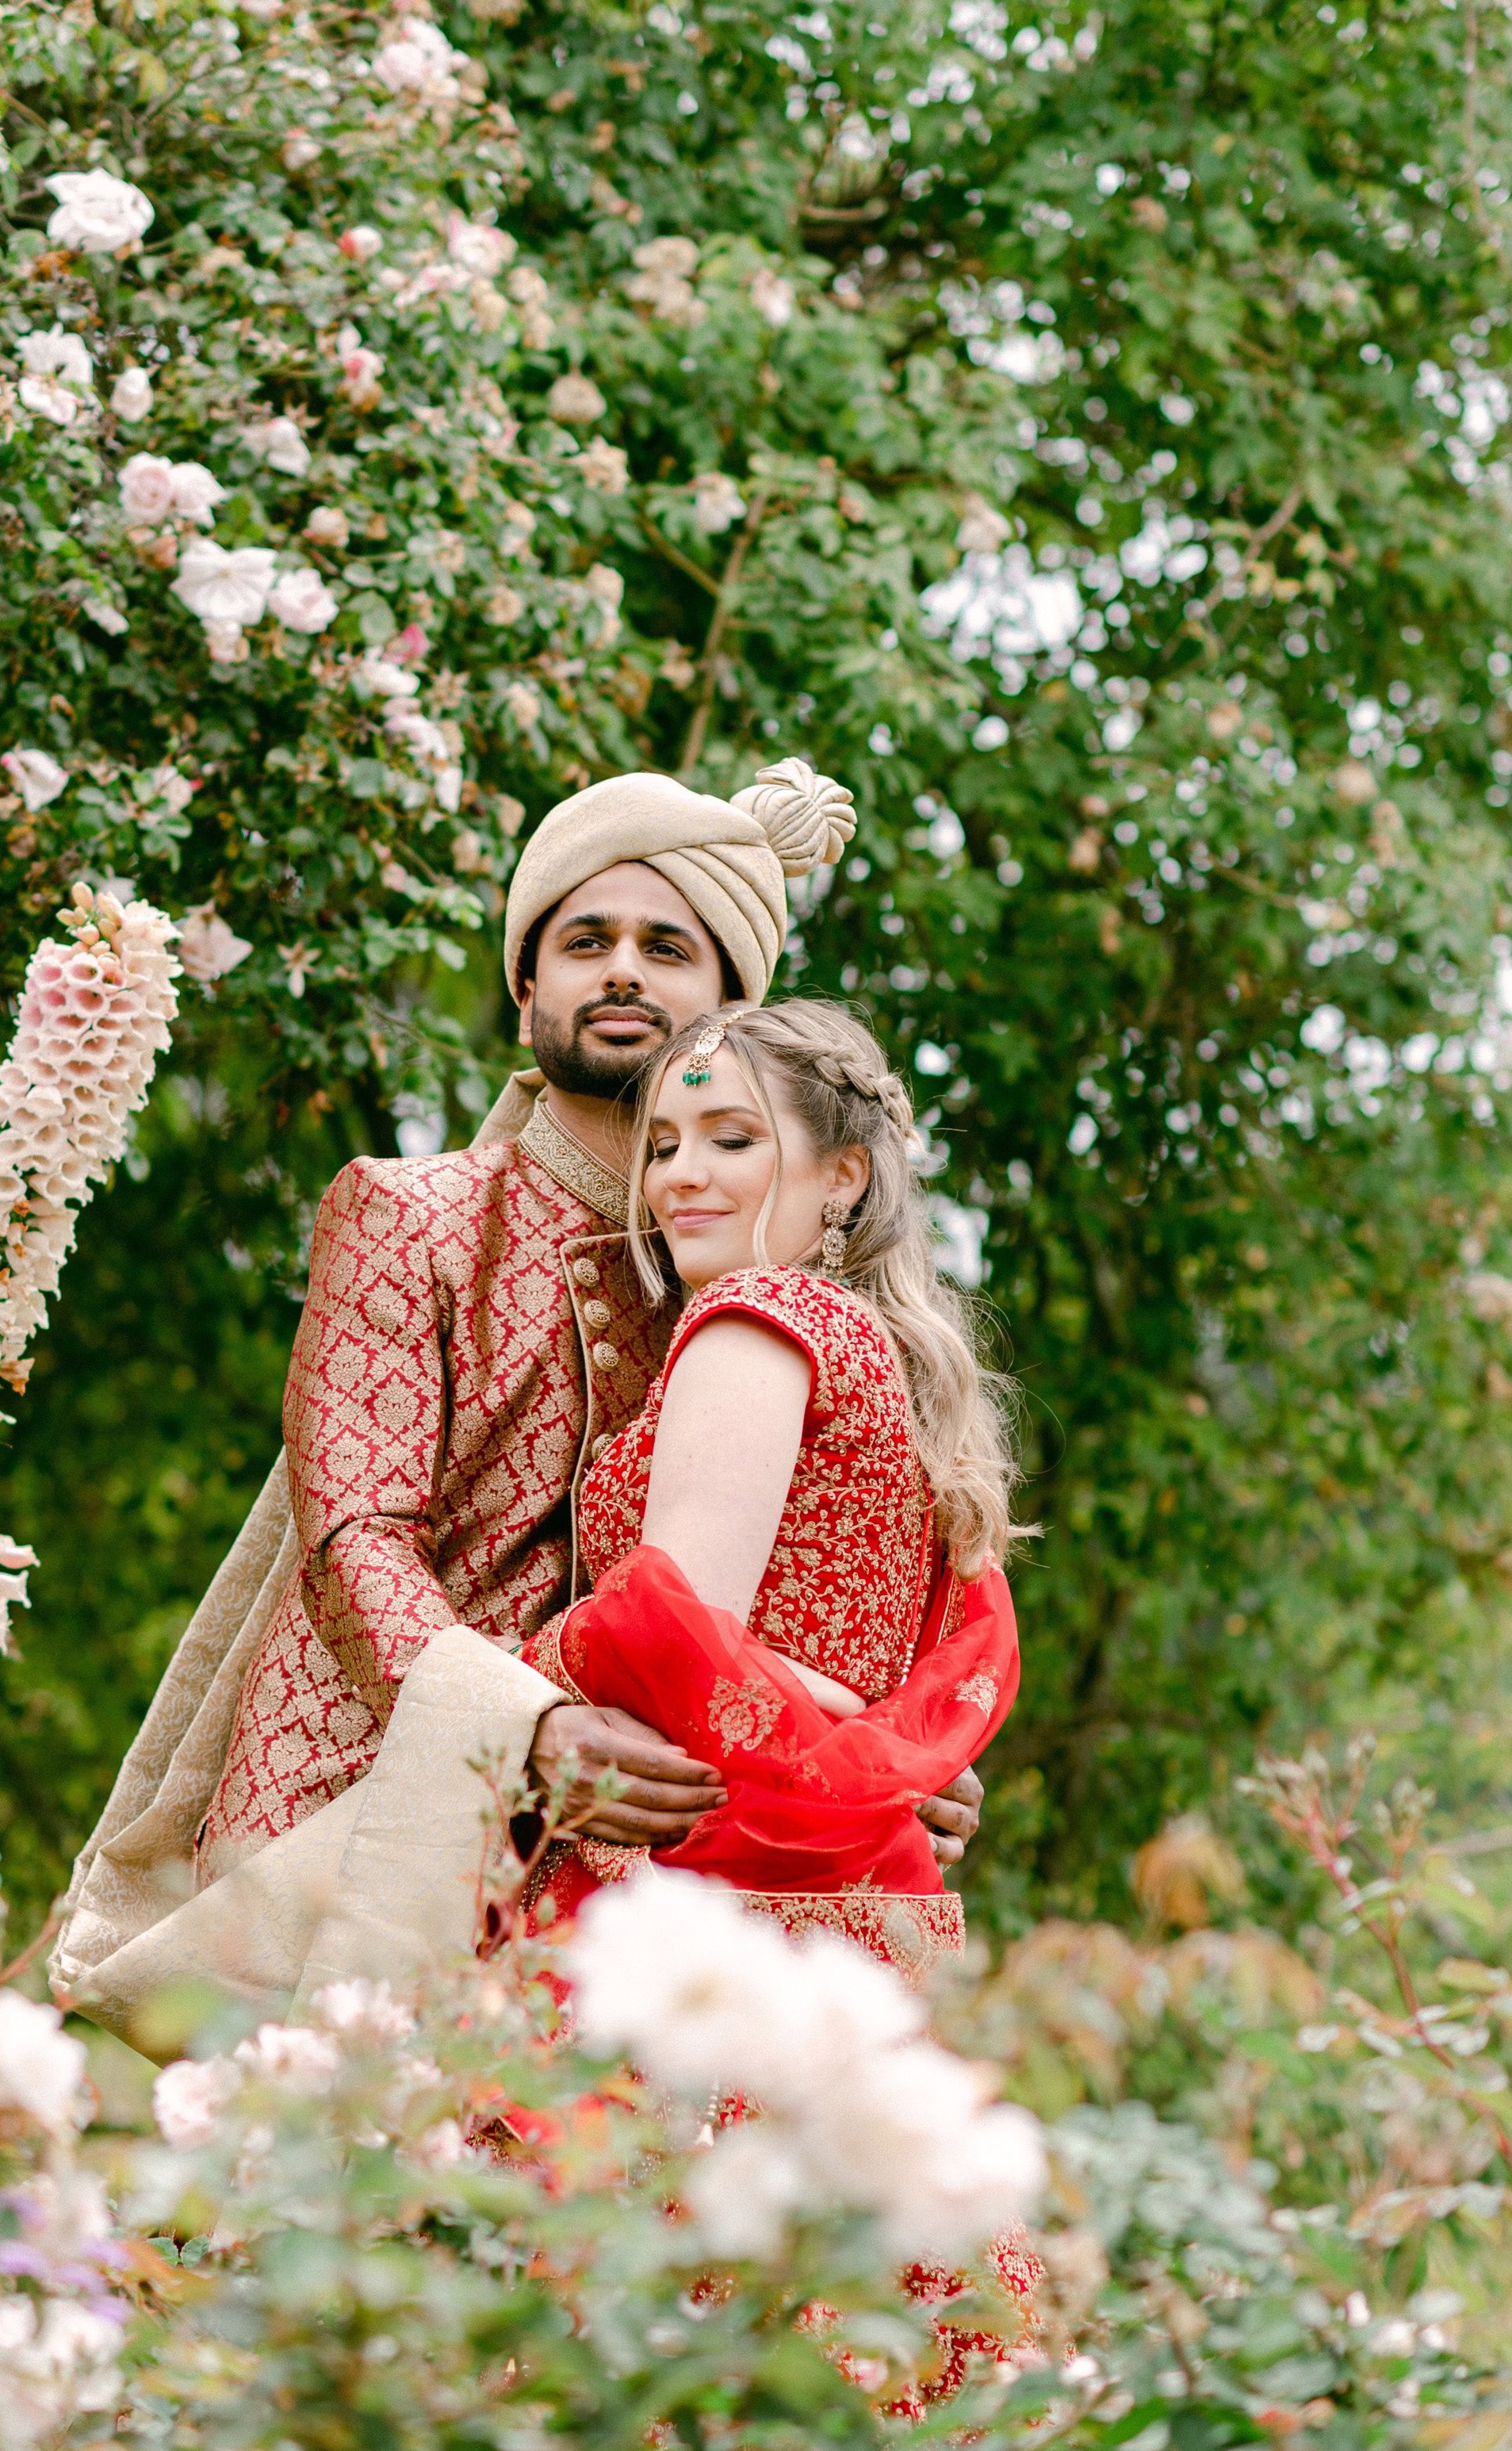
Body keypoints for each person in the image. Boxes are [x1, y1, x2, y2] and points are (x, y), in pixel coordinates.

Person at [52, 761, 986, 2032]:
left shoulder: (752, 1280)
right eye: (583, 939)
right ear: (525, 982)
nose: (624, 972)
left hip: (647, 1872)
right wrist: (530, 1733)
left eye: (670, 947)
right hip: (353, 1820)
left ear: (728, 1009)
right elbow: (351, 1542)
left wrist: (887, 1763)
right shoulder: (412, 1213)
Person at [515, 1000, 1023, 1981]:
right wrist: (887, 1756)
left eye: (731, 1138)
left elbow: (674, 1637)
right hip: (857, 1894)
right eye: (660, 1145)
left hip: (701, 1889)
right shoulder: (897, 1364)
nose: (678, 1176)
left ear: (844, 1176)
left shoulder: (755, 1314)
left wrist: (523, 1673)